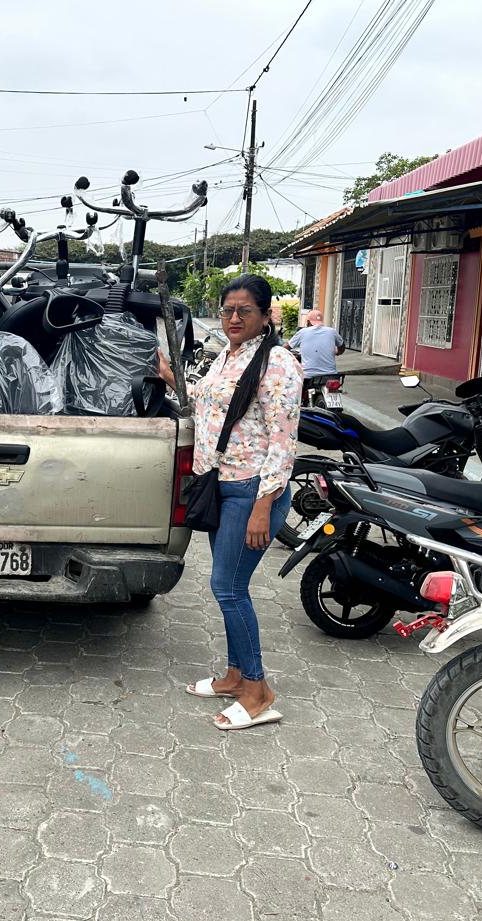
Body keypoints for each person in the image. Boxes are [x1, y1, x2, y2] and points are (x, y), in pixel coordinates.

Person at [159, 275, 302, 731]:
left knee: (228, 587)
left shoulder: (278, 362)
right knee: (228, 587)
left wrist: (264, 505)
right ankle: (236, 676)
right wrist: (170, 376)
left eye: (244, 310)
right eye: (227, 310)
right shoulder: (229, 354)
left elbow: (283, 441)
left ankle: (258, 692)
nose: (234, 318)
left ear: (265, 315)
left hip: (251, 491)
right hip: (221, 486)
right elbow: (209, 403)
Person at [288, 309, 344, 377]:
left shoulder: (303, 332)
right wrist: (337, 352)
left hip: (308, 376)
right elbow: (342, 346)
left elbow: (286, 347)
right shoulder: (332, 331)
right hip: (330, 374)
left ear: (308, 322)